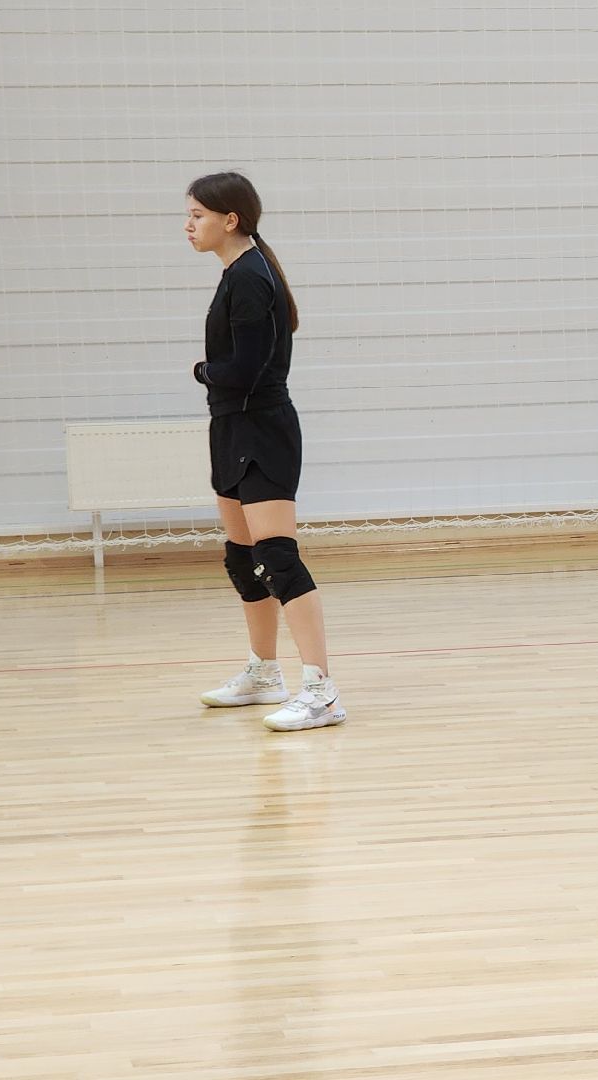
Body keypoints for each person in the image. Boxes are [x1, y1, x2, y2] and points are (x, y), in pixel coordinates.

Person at [186, 172, 345, 732]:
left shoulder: (251, 278)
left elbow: (245, 371)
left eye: (199, 215)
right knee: (240, 557)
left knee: (277, 556)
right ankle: (264, 673)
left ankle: (322, 691)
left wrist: (201, 370)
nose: (190, 225)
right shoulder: (237, 273)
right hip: (230, 428)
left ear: (231, 220)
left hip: (262, 431)